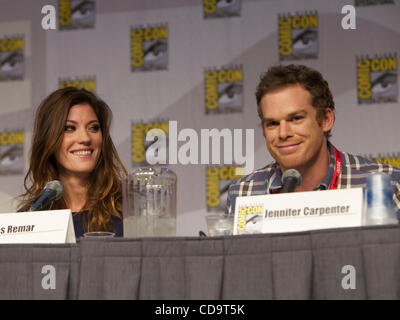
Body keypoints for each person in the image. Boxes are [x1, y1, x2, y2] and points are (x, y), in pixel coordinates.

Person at [226, 64, 400, 217]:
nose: (283, 133)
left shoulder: (389, 184)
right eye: (272, 123)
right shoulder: (244, 192)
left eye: (295, 119)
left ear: (326, 120)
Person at [18, 87, 127, 238]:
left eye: (93, 128)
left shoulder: (131, 210)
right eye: (70, 128)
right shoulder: (29, 218)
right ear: (49, 139)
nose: (85, 138)